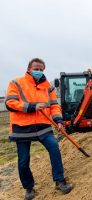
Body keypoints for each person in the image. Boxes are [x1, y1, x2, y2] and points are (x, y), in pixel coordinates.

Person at [5, 58, 73, 200]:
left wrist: (59, 120)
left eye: (41, 70)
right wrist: (31, 107)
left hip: (43, 126)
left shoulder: (48, 86)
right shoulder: (16, 83)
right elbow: (10, 103)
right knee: (23, 160)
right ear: (29, 69)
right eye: (36, 69)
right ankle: (29, 189)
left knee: (54, 148)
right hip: (22, 128)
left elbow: (54, 105)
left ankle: (59, 181)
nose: (38, 72)